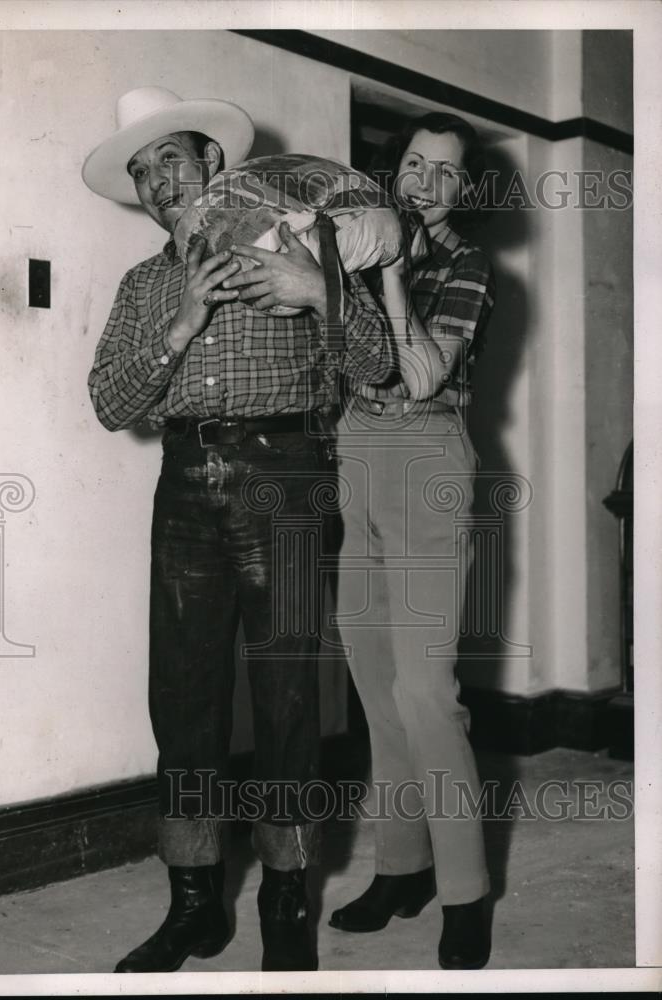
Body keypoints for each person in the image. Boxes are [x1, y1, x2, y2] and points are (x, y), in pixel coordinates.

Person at [82, 86, 393, 973]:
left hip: (287, 482)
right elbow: (109, 404)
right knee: (181, 699)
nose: (156, 182)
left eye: (169, 160)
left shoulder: (299, 247)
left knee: (290, 699)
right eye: (140, 172)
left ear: (216, 164)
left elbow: (379, 367)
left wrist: (317, 289)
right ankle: (194, 907)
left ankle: (286, 899)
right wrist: (182, 322)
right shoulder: (145, 283)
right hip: (184, 486)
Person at [328, 112, 496, 970]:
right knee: (375, 684)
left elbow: (423, 368)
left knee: (428, 694)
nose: (425, 184)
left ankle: (464, 893)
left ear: (464, 189)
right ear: (396, 171)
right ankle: (401, 868)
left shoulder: (468, 266)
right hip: (357, 448)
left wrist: (392, 274)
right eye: (415, 166)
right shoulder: (353, 242)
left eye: (446, 173)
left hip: (428, 449)